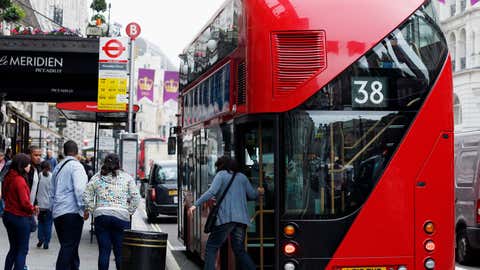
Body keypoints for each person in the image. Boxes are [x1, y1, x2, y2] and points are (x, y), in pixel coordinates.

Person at [188, 156, 264, 270]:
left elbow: (212, 192)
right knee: (239, 249)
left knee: (211, 247)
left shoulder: (221, 175)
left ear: (221, 166)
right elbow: (252, 195)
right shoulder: (242, 177)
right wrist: (259, 192)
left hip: (226, 218)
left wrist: (195, 205)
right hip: (241, 220)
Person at [83, 153, 140, 270]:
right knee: (120, 253)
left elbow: (86, 194)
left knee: (104, 252)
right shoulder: (127, 177)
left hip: (102, 216)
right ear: (118, 164)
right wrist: (129, 212)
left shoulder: (97, 177)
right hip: (121, 217)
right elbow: (136, 197)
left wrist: (93, 210)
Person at [50, 140, 88, 270]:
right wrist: (84, 208)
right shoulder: (77, 166)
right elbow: (80, 190)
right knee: (68, 247)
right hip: (71, 212)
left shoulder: (57, 167)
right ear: (77, 152)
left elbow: (52, 191)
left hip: (58, 212)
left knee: (70, 246)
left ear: (64, 151)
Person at [2, 153, 39, 270]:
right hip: (19, 217)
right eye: (28, 164)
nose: (30, 166)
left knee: (13, 248)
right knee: (22, 250)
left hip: (8, 215)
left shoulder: (9, 176)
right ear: (22, 165)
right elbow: (24, 203)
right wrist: (33, 209)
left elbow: (4, 195)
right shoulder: (19, 180)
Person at [36, 161, 53, 249]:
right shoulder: (52, 176)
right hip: (49, 205)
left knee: (41, 223)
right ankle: (46, 242)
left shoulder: (39, 175)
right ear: (49, 167)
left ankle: (40, 239)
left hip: (40, 204)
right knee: (48, 224)